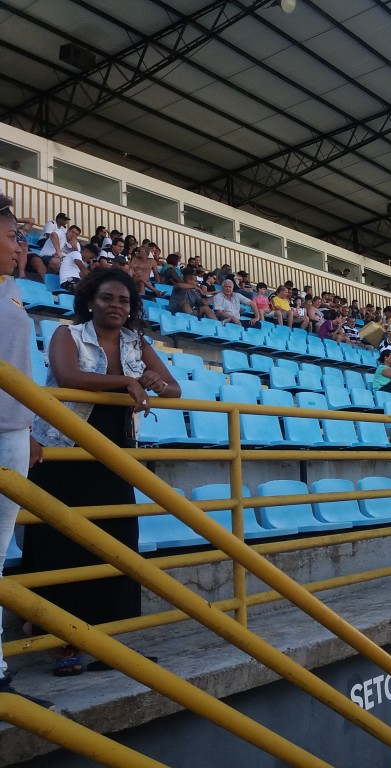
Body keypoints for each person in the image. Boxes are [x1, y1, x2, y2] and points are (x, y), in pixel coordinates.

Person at [23, 269, 181, 676]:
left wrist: (151, 381)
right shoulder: (67, 334)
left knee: (115, 541)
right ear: (91, 300)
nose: (116, 306)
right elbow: (69, 376)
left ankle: (106, 639)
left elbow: (173, 388)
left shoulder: (136, 341)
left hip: (115, 451)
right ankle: (59, 644)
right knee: (62, 545)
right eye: (108, 298)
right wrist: (126, 381)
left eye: (124, 301)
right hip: (64, 449)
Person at [0, 196, 53, 707]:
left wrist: (33, 425)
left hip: (13, 430)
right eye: (13, 237)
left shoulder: (12, 289)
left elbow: (23, 367)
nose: (21, 247)